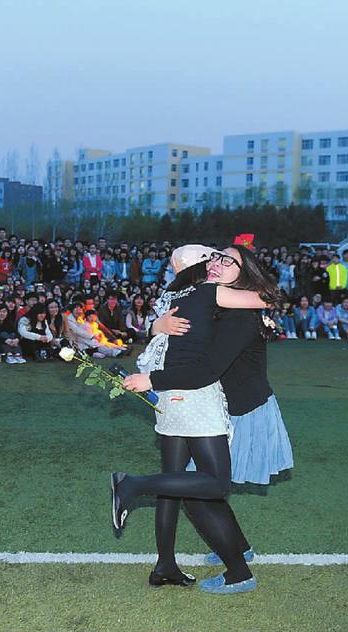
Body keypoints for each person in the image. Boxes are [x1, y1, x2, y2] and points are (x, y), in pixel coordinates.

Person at [122, 243, 291, 594]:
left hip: (243, 408)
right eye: (216, 257)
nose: (217, 263)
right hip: (221, 403)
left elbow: (207, 369)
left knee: (201, 489)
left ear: (243, 274)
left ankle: (238, 572)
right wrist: (156, 326)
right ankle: (238, 549)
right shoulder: (217, 301)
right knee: (200, 484)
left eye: (229, 261)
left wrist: (152, 380)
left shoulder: (240, 315)